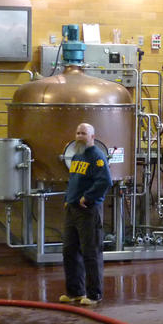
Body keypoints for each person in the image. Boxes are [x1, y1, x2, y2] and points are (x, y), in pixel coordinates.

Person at [59, 122, 112, 306]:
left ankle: (94, 294)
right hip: (72, 210)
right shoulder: (76, 156)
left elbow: (105, 181)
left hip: (87, 211)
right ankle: (74, 292)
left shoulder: (97, 157)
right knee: (69, 251)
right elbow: (73, 181)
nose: (80, 135)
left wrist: (87, 198)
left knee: (90, 252)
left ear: (92, 137)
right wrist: (68, 198)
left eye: (84, 133)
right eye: (78, 132)